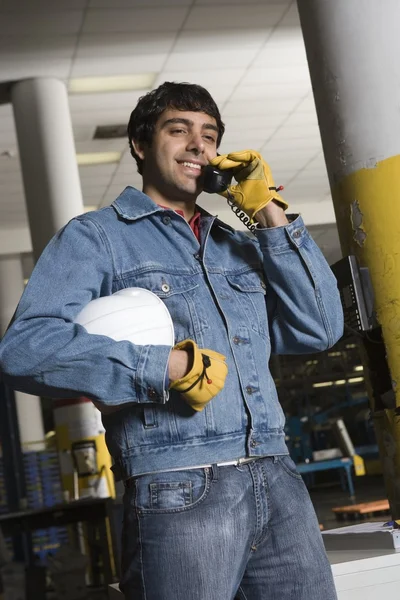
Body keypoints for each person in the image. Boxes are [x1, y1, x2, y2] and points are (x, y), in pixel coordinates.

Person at [0, 81, 343, 600]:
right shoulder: (98, 237)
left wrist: (269, 210)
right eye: (177, 130)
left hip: (276, 473)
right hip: (178, 485)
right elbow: (25, 347)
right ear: (140, 144)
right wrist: (165, 368)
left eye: (209, 135)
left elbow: (318, 326)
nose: (197, 146)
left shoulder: (238, 245)